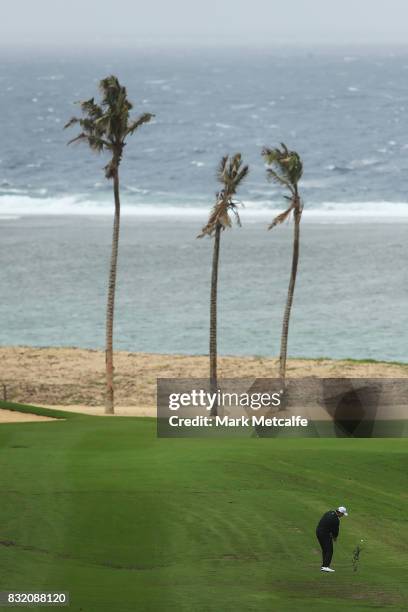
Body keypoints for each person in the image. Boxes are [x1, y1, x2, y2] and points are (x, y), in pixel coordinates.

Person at [316, 506, 348, 572]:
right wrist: (335, 537)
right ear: (340, 513)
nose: (342, 516)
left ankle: (324, 566)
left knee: (325, 549)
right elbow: (335, 531)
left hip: (318, 531)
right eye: (342, 514)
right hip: (324, 534)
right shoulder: (336, 520)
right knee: (329, 550)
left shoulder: (329, 512)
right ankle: (325, 566)